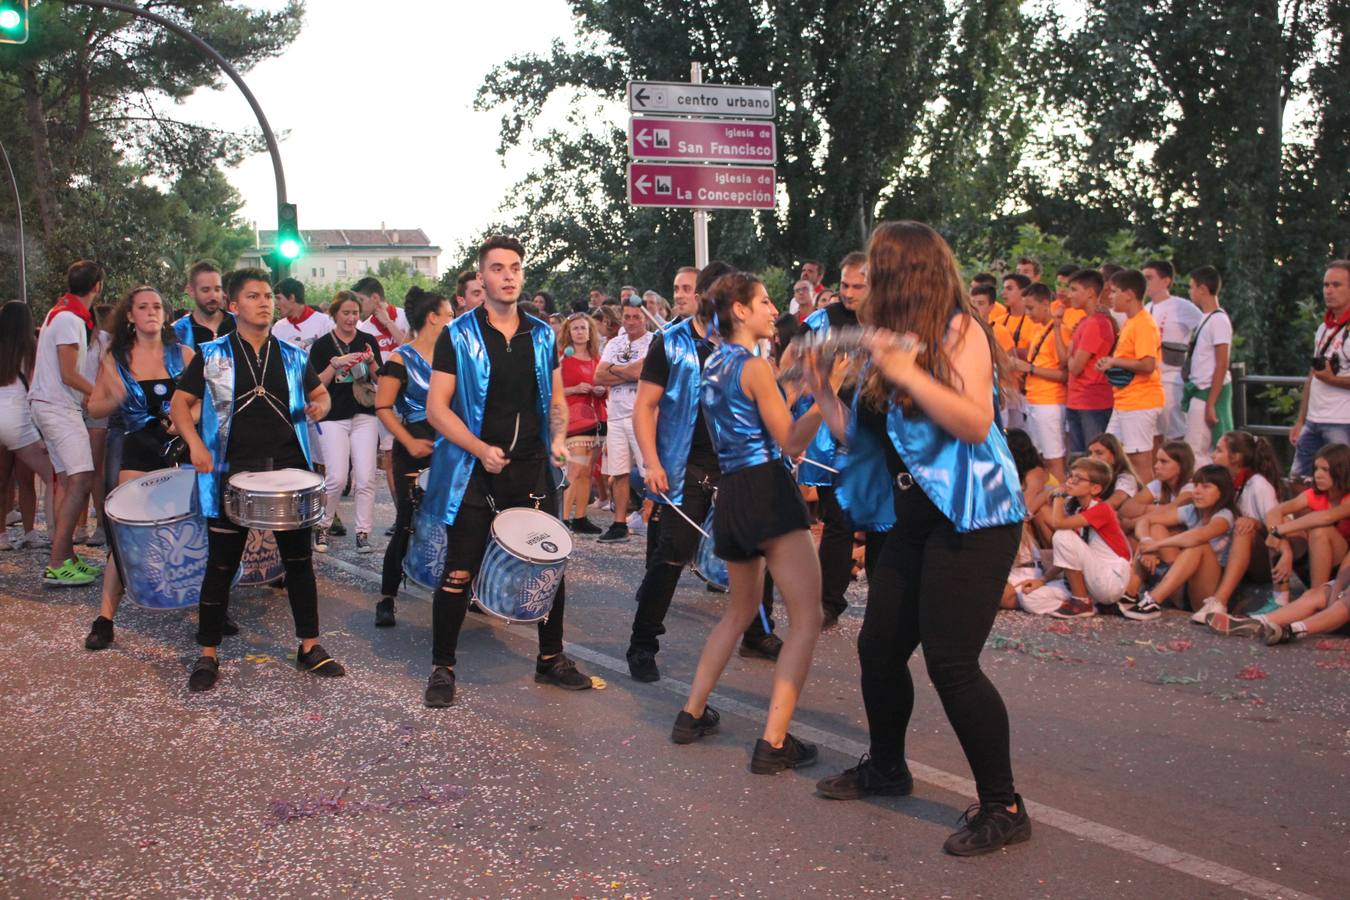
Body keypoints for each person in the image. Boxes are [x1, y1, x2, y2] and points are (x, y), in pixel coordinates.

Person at [814, 221, 1031, 857]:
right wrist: (824, 387)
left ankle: (1004, 804)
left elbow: (973, 421)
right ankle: (886, 767)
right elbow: (854, 440)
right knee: (879, 647)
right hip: (913, 517)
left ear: (907, 273)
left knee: (951, 663)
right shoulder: (885, 343)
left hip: (975, 516)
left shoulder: (960, 329)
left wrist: (907, 371)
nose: (862, 284)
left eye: (875, 270)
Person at [419, 235, 592, 707]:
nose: (509, 275)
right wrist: (478, 448)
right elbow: (437, 409)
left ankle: (550, 657)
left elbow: (556, 400)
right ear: (482, 277)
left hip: (532, 468)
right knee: (459, 571)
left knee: (549, 567)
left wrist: (557, 440)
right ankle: (443, 666)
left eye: (515, 266)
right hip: (475, 470)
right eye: (498, 268)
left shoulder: (541, 334)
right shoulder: (458, 335)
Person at [673, 271, 827, 772]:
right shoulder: (755, 366)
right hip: (766, 489)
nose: (770, 308)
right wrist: (827, 394)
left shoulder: (713, 362)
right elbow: (791, 442)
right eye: (762, 301)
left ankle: (690, 713)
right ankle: (774, 742)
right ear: (739, 310)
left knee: (737, 613)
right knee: (807, 617)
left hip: (731, 494)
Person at [170, 268, 344, 692]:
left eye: (268, 295)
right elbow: (180, 404)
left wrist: (319, 405)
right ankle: (207, 653)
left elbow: (319, 394)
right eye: (253, 296)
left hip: (287, 470)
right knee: (221, 564)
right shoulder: (211, 354)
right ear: (234, 305)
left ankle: (310, 646)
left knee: (300, 564)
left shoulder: (292, 355)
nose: (265, 302)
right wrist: (195, 445)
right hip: (231, 471)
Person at [626, 261, 780, 683]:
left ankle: (759, 632)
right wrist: (651, 462)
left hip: (738, 466)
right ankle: (642, 645)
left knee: (756, 550)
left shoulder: (746, 345)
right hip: (685, 467)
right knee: (671, 556)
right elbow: (645, 406)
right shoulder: (670, 342)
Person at [82, 287, 201, 649]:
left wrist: (184, 420)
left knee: (195, 527)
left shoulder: (184, 355)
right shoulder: (115, 358)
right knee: (124, 533)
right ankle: (105, 618)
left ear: (165, 314)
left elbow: (205, 404)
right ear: (130, 316)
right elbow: (93, 408)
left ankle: (209, 607)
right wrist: (115, 395)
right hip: (137, 447)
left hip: (179, 446)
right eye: (143, 307)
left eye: (158, 307)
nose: (152, 312)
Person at [783, 251, 875, 627]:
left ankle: (885, 602)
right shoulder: (821, 320)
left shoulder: (891, 319)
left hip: (878, 432)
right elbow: (791, 373)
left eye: (858, 286)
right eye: (845, 285)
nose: (850, 293)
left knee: (882, 523)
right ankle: (829, 602)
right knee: (838, 521)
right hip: (830, 435)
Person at [373, 287, 453, 628]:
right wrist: (407, 441)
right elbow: (383, 407)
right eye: (449, 314)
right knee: (408, 522)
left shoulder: (456, 356)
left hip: (450, 446)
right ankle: (387, 598)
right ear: (433, 317)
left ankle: (457, 589)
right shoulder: (400, 358)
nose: (453, 320)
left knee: (455, 521)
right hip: (415, 445)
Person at [29, 260, 104, 587]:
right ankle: (59, 561)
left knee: (67, 480)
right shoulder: (70, 319)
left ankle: (67, 557)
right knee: (83, 477)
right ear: (98, 286)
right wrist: (99, 392)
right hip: (58, 407)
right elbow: (69, 373)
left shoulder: (58, 313)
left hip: (52, 405)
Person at [308, 291, 383, 553]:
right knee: (337, 477)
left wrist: (372, 360)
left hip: (364, 414)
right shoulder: (322, 345)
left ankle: (363, 532)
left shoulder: (367, 340)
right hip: (332, 417)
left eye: (355, 313)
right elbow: (315, 385)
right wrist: (335, 365)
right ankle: (323, 525)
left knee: (365, 477)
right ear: (335, 315)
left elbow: (380, 381)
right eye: (346, 313)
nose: (351, 318)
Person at [1018, 457, 1133, 618]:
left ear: (1095, 488)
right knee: (1028, 597)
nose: (1070, 481)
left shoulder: (1102, 509)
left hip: (1109, 578)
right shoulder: (1077, 508)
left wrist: (1059, 496)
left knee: (1062, 535)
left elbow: (1058, 524)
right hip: (1089, 580)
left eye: (1078, 479)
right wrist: (1042, 580)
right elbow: (1069, 557)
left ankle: (1081, 602)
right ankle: (1091, 605)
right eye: (1070, 476)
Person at [1124, 464, 1238, 620]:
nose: (1197, 491)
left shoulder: (1225, 516)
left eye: (1206, 487)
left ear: (1221, 492)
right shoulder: (1191, 510)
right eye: (1196, 485)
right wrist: (1146, 541)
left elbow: (1198, 536)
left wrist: (1156, 545)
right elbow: (1144, 521)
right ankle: (1129, 594)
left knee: (1198, 546)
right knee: (1156, 528)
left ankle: (1153, 601)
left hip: (1204, 593)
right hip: (1180, 583)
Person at [1195, 430, 1282, 621]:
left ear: (1236, 457)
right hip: (1231, 555)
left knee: (1243, 529)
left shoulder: (1258, 485)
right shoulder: (1228, 483)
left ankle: (1219, 601)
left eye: (1218, 451)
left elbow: (1277, 530)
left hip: (1265, 560)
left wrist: (1255, 523)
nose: (1212, 455)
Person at [1259, 443, 1350, 610]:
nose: (1318, 475)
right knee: (1283, 520)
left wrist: (1278, 531)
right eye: (1316, 469)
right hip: (1313, 561)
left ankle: (1316, 598)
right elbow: (1274, 512)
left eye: (1325, 470)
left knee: (1320, 530)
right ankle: (1280, 599)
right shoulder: (1313, 495)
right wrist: (1284, 547)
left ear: (1341, 470)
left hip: (1341, 573)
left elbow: (1326, 517)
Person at [0, 301, 57, 554]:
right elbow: (35, 387)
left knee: (2, 481)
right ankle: (33, 532)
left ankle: (1, 536)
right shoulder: (30, 348)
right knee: (35, 479)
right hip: (20, 419)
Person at [594, 302, 654, 543]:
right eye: (627, 316)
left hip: (641, 413)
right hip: (616, 414)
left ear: (645, 318)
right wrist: (627, 371)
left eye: (636, 317)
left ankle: (652, 517)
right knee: (619, 472)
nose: (631, 321)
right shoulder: (614, 343)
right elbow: (598, 376)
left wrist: (614, 370)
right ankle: (619, 523)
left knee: (649, 469)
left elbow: (642, 373)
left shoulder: (653, 341)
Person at [1097, 269, 1164, 478]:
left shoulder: (1144, 323)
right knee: (1105, 452)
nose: (1110, 296)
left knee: (1139, 461)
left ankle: (1148, 507)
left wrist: (1114, 361)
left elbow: (1147, 365)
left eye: (1114, 291)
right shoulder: (1130, 322)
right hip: (1125, 400)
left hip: (1140, 401)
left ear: (1129, 294)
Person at [1290, 261, 1350, 477]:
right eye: (1326, 285)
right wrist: (1300, 420)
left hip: (1342, 421)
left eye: (1336, 285)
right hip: (1314, 419)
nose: (1329, 291)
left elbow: (1324, 377)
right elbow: (1312, 377)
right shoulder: (1323, 328)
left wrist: (1331, 379)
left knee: (1340, 482)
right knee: (1298, 479)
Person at [1142, 260, 1203, 442]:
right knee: (1152, 433)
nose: (1145, 283)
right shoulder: (1145, 309)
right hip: (1149, 379)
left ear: (1166, 281)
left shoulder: (1182, 306)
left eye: (1149, 278)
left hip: (1172, 377)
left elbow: (1204, 331)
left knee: (1175, 430)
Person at [1057, 269, 1116, 456]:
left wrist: (1072, 349)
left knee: (1095, 459)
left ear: (1090, 293)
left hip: (1093, 401)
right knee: (1078, 456)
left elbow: (1074, 366)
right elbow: (1066, 360)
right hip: (1076, 399)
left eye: (1074, 289)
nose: (1069, 294)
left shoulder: (1097, 323)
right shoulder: (1084, 321)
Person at [1179, 265, 1232, 464]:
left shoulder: (1219, 320)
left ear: (1202, 289)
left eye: (1191, 287)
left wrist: (1211, 403)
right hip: (1199, 389)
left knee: (1196, 450)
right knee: (1196, 448)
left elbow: (1222, 363)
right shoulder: (1205, 318)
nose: (1189, 292)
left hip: (1207, 391)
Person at [559, 312, 606, 534]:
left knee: (587, 471)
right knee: (574, 470)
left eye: (583, 328)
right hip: (573, 420)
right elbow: (552, 390)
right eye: (575, 328)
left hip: (595, 420)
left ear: (590, 333)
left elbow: (606, 386)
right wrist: (575, 389)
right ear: (569, 332)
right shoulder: (562, 358)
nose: (579, 332)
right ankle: (562, 519)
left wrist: (600, 390)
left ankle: (580, 517)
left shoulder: (598, 359)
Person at [1119, 440, 1195, 531]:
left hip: (1188, 535)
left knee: (1156, 528)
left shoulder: (1192, 487)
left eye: (1163, 462)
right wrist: (1153, 509)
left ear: (1181, 466)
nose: (1156, 466)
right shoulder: (1159, 483)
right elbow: (1125, 509)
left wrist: (1132, 523)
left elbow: (1169, 512)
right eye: (1157, 460)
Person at [172, 260, 236, 349]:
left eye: (217, 289)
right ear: (191, 291)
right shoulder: (179, 331)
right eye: (205, 290)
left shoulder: (239, 323)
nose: (213, 296)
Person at [272, 278, 334, 351]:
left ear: (292, 297)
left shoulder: (326, 323)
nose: (275, 303)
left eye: (278, 298)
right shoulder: (278, 327)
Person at [1086, 433, 1140, 510]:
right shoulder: (1092, 477)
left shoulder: (1127, 479)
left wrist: (1083, 517)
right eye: (1090, 453)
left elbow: (1113, 503)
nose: (1091, 458)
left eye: (1099, 453)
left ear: (1114, 457)